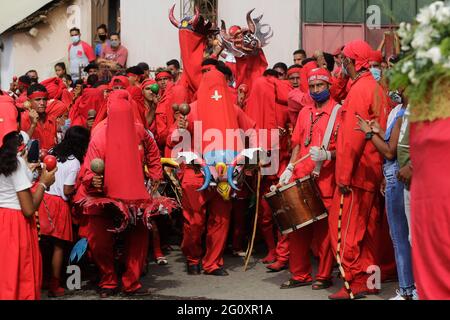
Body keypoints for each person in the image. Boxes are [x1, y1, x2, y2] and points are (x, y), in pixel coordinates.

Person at [74, 90, 162, 298]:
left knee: (139, 237)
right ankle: (108, 280)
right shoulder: (99, 134)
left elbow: (153, 151)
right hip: (103, 195)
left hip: (134, 194)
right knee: (100, 241)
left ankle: (131, 282)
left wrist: (155, 174)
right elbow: (88, 168)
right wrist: (92, 180)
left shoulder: (140, 130)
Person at [168, 68, 256, 276]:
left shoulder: (233, 109)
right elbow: (173, 138)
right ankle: (192, 256)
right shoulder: (190, 109)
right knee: (194, 220)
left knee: (221, 219)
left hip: (225, 173)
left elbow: (252, 130)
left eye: (220, 86)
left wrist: (248, 156)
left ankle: (213, 262)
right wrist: (180, 128)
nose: (215, 91)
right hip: (195, 172)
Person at [328, 40, 388, 300]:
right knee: (369, 232)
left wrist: (343, 176)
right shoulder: (376, 88)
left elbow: (351, 139)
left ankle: (352, 283)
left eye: (343, 61)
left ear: (351, 62)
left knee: (345, 231)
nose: (341, 65)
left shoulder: (360, 90)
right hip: (373, 171)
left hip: (356, 173)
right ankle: (370, 281)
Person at [278, 68, 339, 290]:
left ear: (329, 85)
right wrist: (289, 168)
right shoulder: (304, 111)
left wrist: (328, 155)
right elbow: (297, 144)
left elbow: (347, 149)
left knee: (324, 233)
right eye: (312, 87)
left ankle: (324, 275)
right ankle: (299, 274)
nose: (315, 90)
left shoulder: (338, 112)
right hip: (300, 177)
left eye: (319, 86)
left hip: (325, 181)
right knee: (298, 230)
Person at [0, 95, 57, 300]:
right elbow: (29, 208)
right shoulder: (14, 163)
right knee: (20, 277)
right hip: (15, 225)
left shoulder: (11, 160)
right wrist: (43, 182)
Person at [38, 126, 90, 297]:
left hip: (43, 198)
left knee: (43, 244)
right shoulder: (74, 161)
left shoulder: (53, 150)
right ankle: (55, 285)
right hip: (58, 204)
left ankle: (43, 279)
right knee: (59, 246)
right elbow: (67, 190)